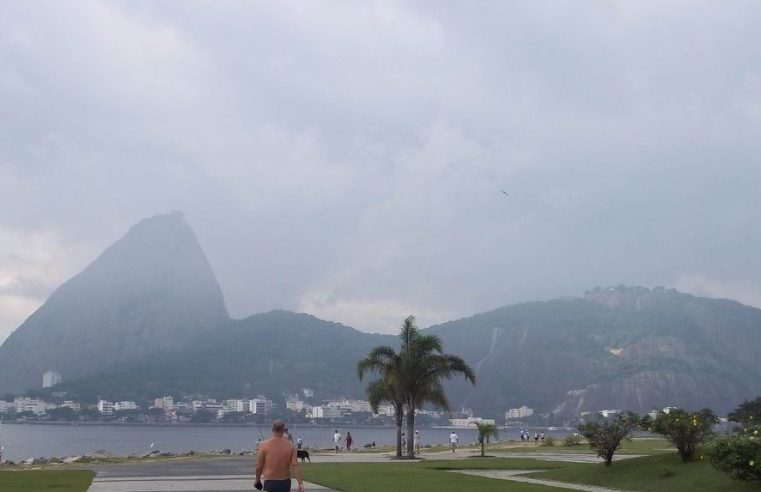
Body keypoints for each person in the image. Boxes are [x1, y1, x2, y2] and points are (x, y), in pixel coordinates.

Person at [254, 419, 304, 492]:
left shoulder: (263, 445)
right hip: (285, 482)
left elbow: (259, 466)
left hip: (270, 481)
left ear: (272, 429)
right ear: (283, 430)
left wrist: (257, 480)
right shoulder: (291, 446)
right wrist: (300, 483)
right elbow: (295, 465)